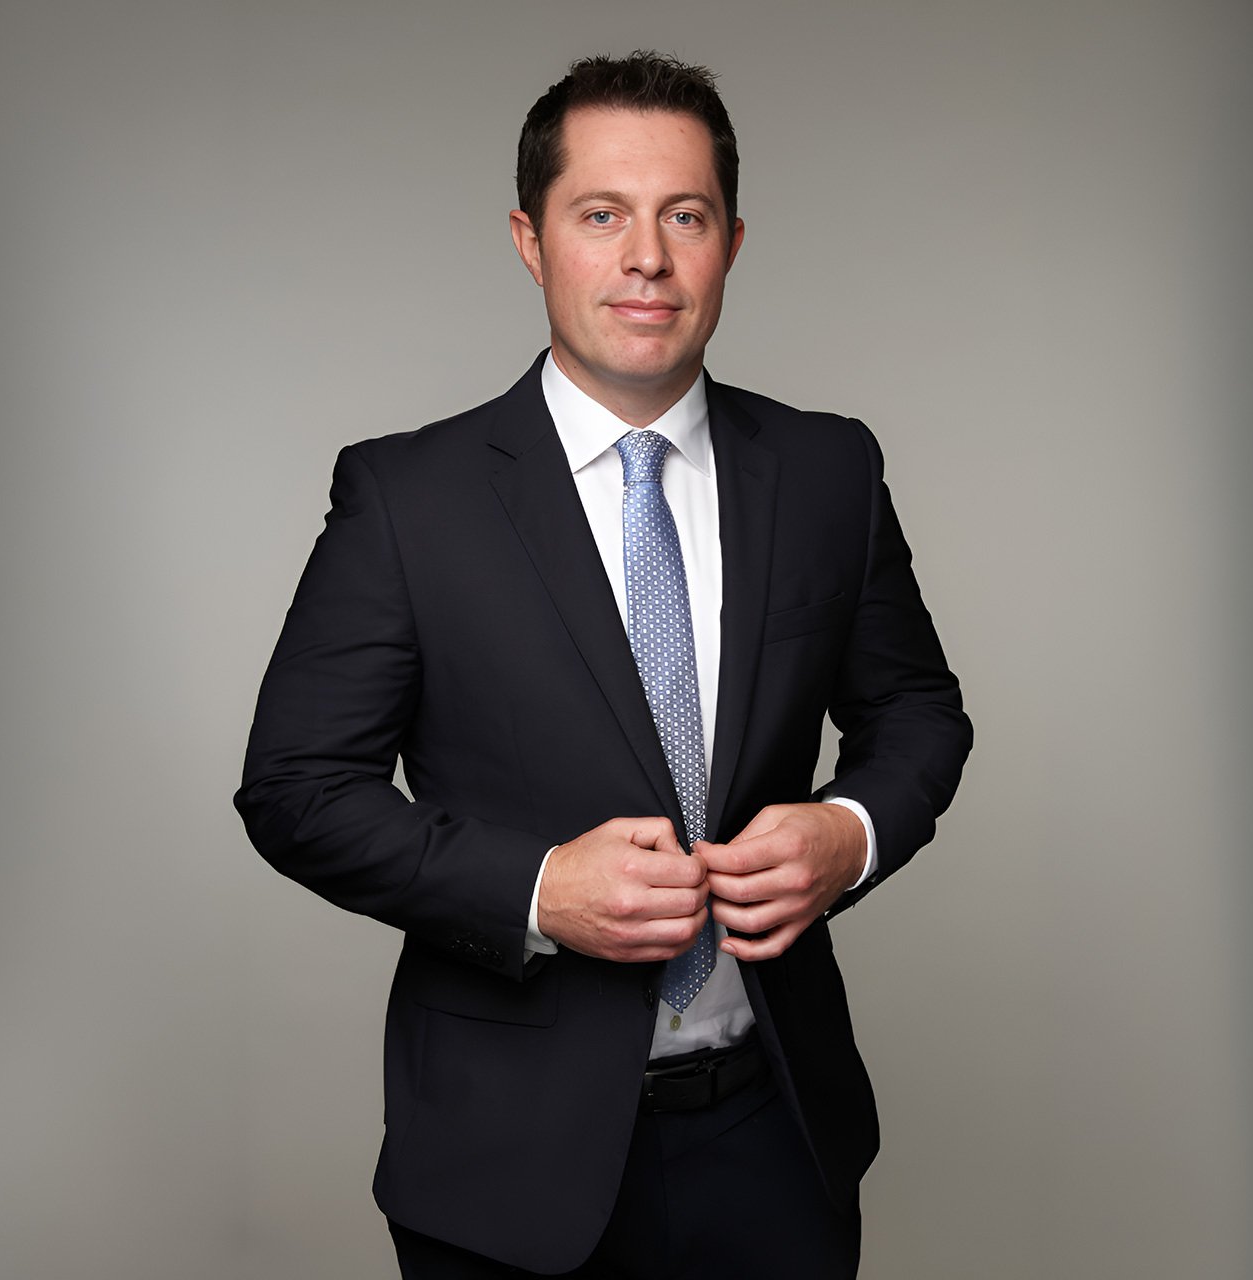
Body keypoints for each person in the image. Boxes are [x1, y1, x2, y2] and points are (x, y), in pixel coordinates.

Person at [235, 51, 972, 1280]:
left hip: (775, 1135)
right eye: (599, 215)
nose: (646, 258)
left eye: (683, 216)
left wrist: (847, 832)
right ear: (529, 240)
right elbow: (295, 788)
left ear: (730, 242)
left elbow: (915, 710)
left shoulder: (825, 469)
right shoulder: (408, 498)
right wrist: (535, 888)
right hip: (504, 1164)